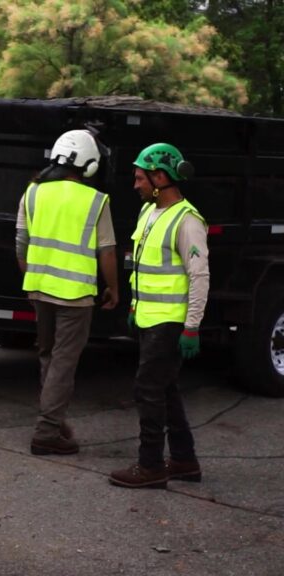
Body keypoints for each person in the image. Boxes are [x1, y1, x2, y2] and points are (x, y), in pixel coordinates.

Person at [109, 143, 208, 489]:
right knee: (165, 389)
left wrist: (192, 326)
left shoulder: (188, 221)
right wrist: (135, 306)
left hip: (170, 321)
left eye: (140, 177)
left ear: (160, 177)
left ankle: (150, 466)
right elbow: (142, 265)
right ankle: (184, 461)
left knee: (147, 389)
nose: (135, 184)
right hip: (149, 317)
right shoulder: (148, 214)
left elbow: (199, 277)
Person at [16, 129, 118, 456]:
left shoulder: (32, 192)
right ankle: (46, 431)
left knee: (48, 356)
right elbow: (107, 252)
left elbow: (21, 244)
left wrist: (32, 277)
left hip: (39, 290)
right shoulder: (95, 200)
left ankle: (55, 421)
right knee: (63, 362)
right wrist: (113, 288)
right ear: (88, 164)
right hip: (75, 296)